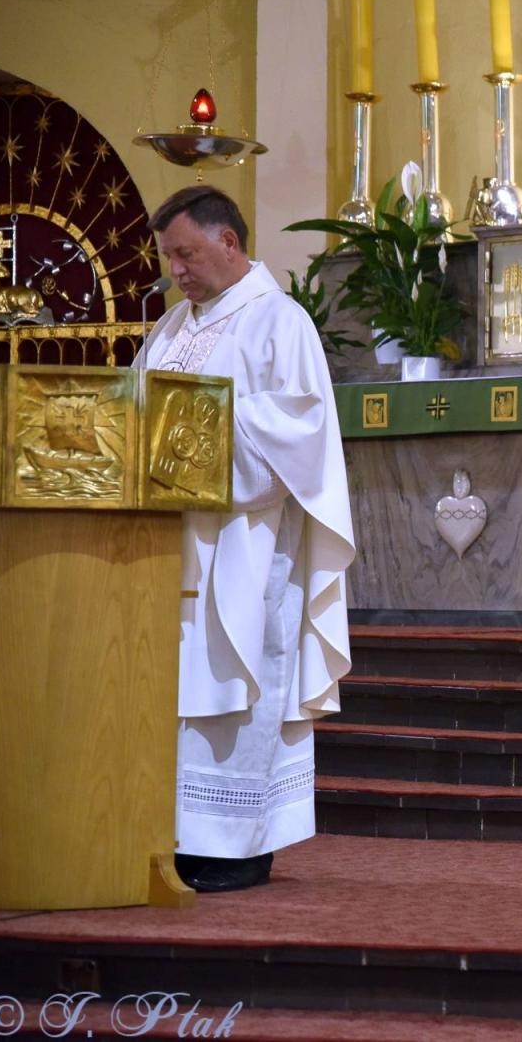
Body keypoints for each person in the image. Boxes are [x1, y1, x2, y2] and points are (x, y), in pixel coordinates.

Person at [135, 185, 355, 893]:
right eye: (169, 257)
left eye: (186, 254)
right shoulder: (171, 328)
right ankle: (177, 836)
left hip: (246, 544)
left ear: (228, 242)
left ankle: (239, 847)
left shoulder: (280, 322)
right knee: (177, 689)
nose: (176, 270)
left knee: (239, 682)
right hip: (170, 543)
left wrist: (191, 433)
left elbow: (301, 431)